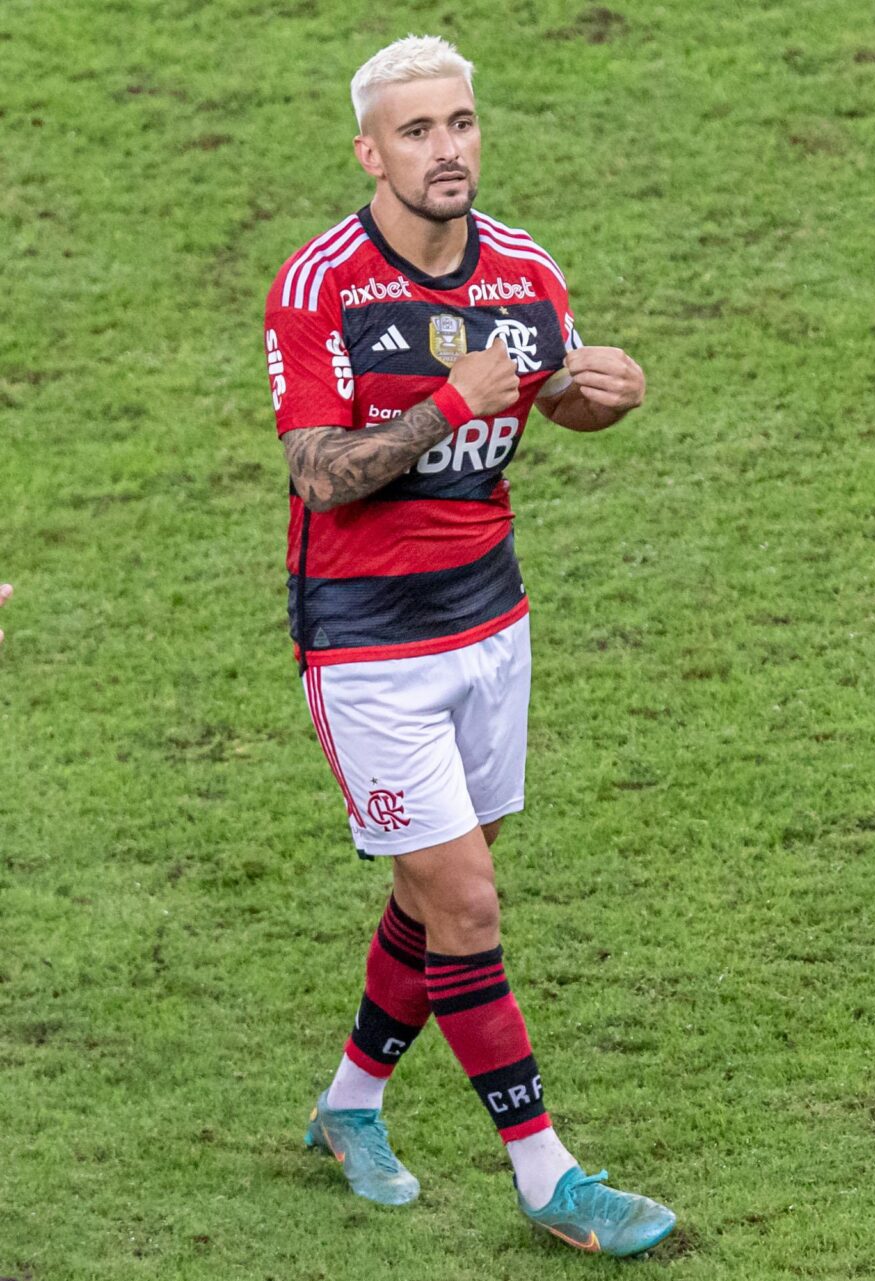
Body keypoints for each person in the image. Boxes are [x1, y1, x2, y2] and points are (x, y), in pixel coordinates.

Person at [263, 35, 672, 1257]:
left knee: (437, 891)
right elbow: (320, 476)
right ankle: (548, 1177)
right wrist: (447, 404)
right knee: (471, 906)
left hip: (492, 625)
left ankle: (348, 1109)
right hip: (366, 646)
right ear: (371, 152)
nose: (448, 149)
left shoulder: (526, 272)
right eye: (418, 131)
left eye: (462, 123)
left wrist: (599, 397)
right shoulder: (321, 286)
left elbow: (548, 395)